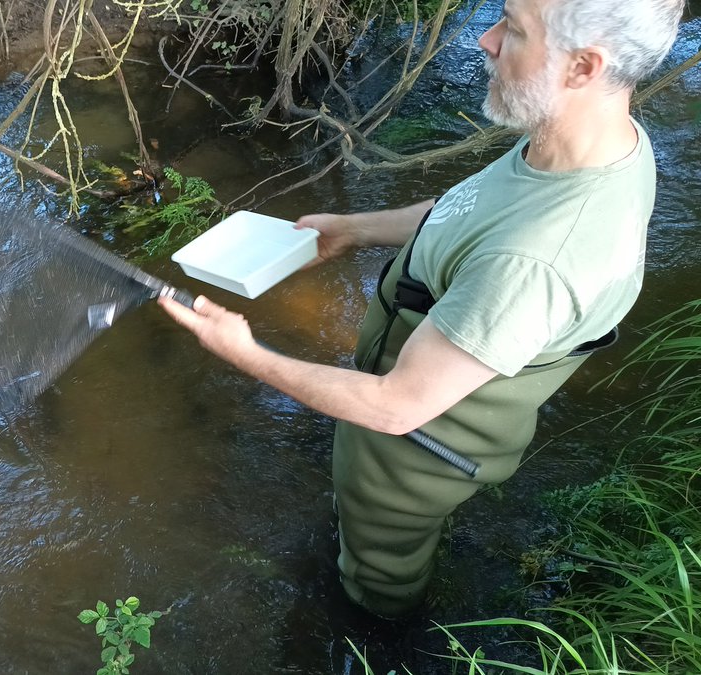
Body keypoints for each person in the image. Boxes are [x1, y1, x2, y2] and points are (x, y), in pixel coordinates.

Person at [159, 0, 686, 617]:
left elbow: (394, 406)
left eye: (513, 29)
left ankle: (380, 634)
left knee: (377, 581)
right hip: (416, 415)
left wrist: (246, 354)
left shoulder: (537, 262)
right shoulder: (584, 146)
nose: (485, 40)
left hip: (416, 450)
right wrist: (353, 229)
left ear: (583, 67)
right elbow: (468, 209)